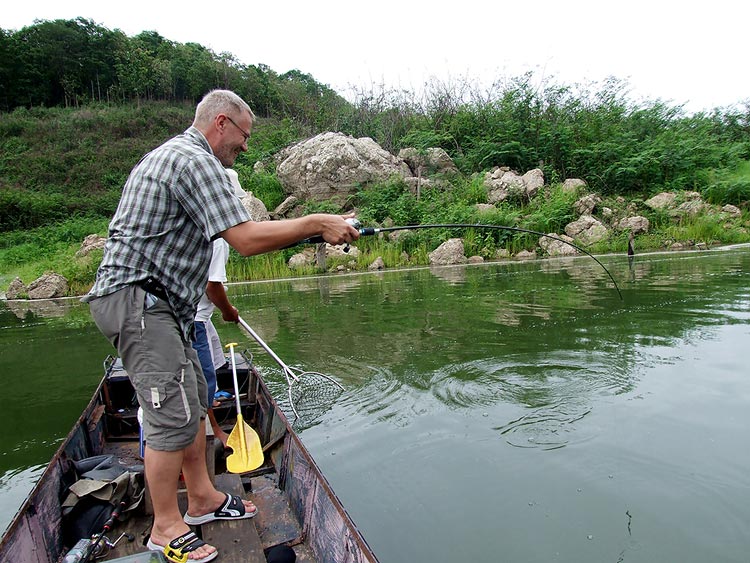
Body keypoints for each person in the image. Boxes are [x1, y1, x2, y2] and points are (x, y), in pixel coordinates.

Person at [82, 89, 359, 563]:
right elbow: (246, 239)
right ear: (222, 123)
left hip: (165, 306)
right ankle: (165, 527)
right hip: (140, 303)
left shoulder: (178, 155)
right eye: (244, 137)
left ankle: (204, 497)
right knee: (170, 412)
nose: (245, 148)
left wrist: (316, 228)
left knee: (192, 400)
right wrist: (315, 221)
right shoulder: (194, 159)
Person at [192, 168, 245, 448]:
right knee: (203, 383)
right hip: (193, 320)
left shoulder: (194, 224)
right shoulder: (218, 238)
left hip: (196, 317)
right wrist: (227, 311)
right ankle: (212, 431)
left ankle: (210, 408)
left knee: (213, 366)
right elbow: (213, 288)